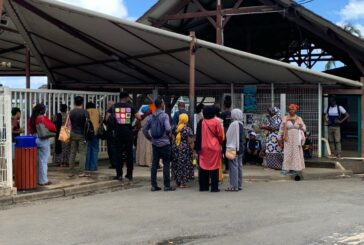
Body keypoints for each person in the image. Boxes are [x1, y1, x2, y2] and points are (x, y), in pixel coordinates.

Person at [143, 97, 175, 192]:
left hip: (155, 143)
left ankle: (154, 185)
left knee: (154, 164)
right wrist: (169, 135)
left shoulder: (151, 116)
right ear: (161, 104)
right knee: (166, 164)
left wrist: (150, 138)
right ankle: (167, 185)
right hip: (165, 143)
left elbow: (144, 129)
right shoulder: (164, 116)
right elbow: (168, 128)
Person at [107, 92, 135, 182]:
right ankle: (129, 174)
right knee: (129, 153)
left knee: (118, 154)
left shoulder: (114, 106)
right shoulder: (130, 106)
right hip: (128, 133)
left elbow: (107, 118)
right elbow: (138, 117)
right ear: (127, 98)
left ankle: (119, 175)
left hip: (118, 133)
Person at [195, 106, 224, 192]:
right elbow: (220, 135)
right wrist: (220, 142)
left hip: (203, 148)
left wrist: (197, 148)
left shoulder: (201, 122)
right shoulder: (217, 122)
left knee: (203, 167)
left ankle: (203, 187)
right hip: (214, 147)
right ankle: (214, 188)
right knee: (214, 167)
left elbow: (198, 136)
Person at [29, 104, 56, 186]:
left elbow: (30, 129)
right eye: (44, 109)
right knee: (43, 161)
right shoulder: (42, 118)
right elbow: (53, 127)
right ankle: (43, 180)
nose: (45, 111)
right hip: (43, 139)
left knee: (36, 161)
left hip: (34, 139)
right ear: (41, 111)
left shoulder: (31, 118)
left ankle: (36, 179)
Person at [279, 104, 306, 176]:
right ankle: (286, 169)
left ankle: (296, 169)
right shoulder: (285, 118)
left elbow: (304, 128)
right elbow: (281, 129)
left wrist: (301, 126)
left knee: (296, 153)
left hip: (297, 138)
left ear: (296, 110)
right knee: (288, 153)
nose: (292, 111)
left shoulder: (299, 119)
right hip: (288, 138)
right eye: (290, 109)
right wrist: (279, 138)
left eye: (293, 109)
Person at [172, 113, 194, 188]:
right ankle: (183, 183)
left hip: (176, 148)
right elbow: (190, 141)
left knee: (177, 164)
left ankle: (178, 182)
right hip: (184, 148)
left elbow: (173, 138)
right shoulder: (187, 129)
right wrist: (193, 150)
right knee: (184, 165)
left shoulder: (176, 128)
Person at [225, 109, 245, 192]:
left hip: (234, 147)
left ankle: (233, 186)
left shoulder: (234, 124)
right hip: (240, 147)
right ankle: (239, 184)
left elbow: (229, 135)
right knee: (239, 166)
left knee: (233, 167)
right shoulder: (241, 124)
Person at [69, 96, 88, 177]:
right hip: (82, 134)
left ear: (74, 103)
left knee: (72, 152)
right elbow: (87, 125)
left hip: (73, 133)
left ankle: (71, 171)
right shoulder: (85, 112)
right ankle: (81, 172)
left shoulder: (71, 112)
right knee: (82, 153)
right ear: (82, 103)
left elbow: (69, 124)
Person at [85, 102, 100, 172]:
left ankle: (87, 166)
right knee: (95, 149)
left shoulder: (86, 111)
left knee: (87, 149)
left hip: (87, 133)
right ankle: (93, 167)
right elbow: (100, 121)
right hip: (96, 132)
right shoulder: (97, 111)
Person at [220, 96, 232, 173]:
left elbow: (221, 125)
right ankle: (230, 167)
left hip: (225, 134)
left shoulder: (222, 114)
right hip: (231, 134)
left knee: (225, 151)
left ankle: (226, 168)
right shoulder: (232, 114)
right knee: (231, 150)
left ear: (224, 105)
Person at [105, 101, 115, 169]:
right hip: (116, 133)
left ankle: (113, 163)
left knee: (111, 149)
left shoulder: (109, 113)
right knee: (115, 148)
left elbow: (105, 120)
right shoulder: (117, 112)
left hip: (110, 133)